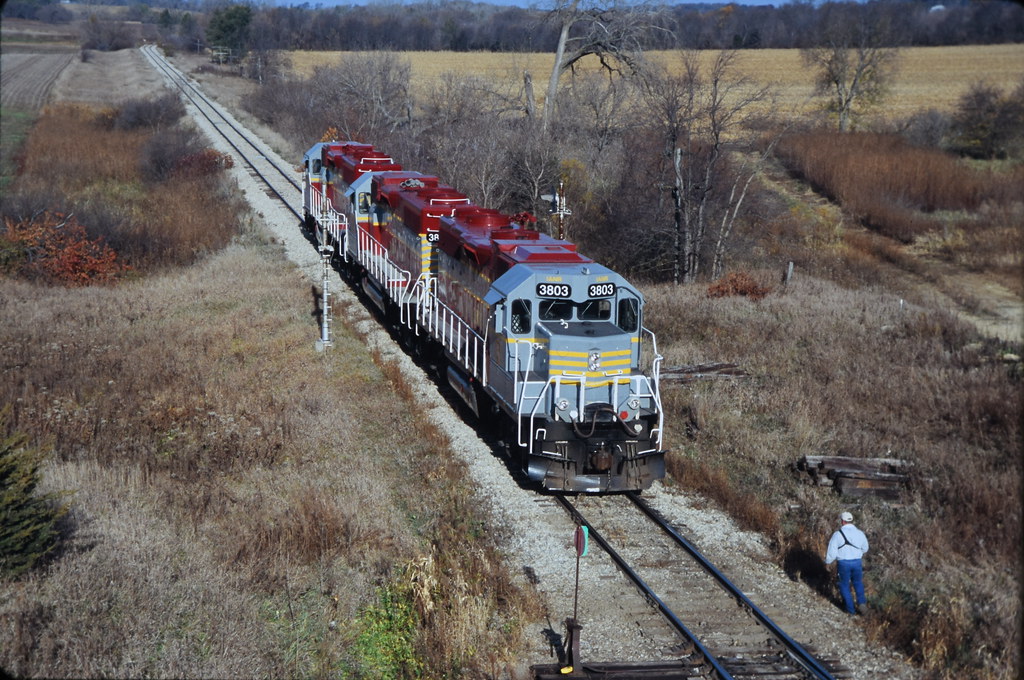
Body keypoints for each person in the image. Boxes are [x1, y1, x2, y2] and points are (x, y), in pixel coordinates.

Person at [825, 511, 869, 615]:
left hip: (843, 563)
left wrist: (827, 561)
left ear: (843, 521)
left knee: (844, 585)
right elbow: (865, 548)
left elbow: (832, 552)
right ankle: (862, 603)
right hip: (857, 562)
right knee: (858, 583)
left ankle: (851, 611)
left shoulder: (837, 534)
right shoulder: (860, 533)